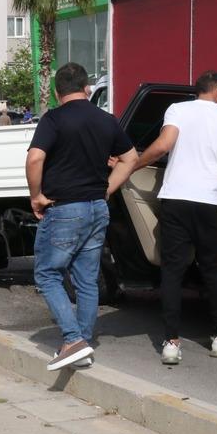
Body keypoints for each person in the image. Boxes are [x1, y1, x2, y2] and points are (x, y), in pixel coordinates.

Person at [132, 70, 217, 365]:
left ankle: (171, 342)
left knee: (172, 271)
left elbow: (163, 146)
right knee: (213, 272)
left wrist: (134, 165)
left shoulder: (178, 109)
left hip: (175, 200)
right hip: (209, 204)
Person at [26, 63, 138, 371]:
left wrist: (36, 195)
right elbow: (131, 158)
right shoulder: (106, 120)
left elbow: (35, 158)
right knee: (87, 279)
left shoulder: (54, 119)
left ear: (57, 91)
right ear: (86, 88)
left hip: (64, 209)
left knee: (47, 275)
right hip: (96, 208)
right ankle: (83, 345)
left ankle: (73, 339)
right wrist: (108, 189)